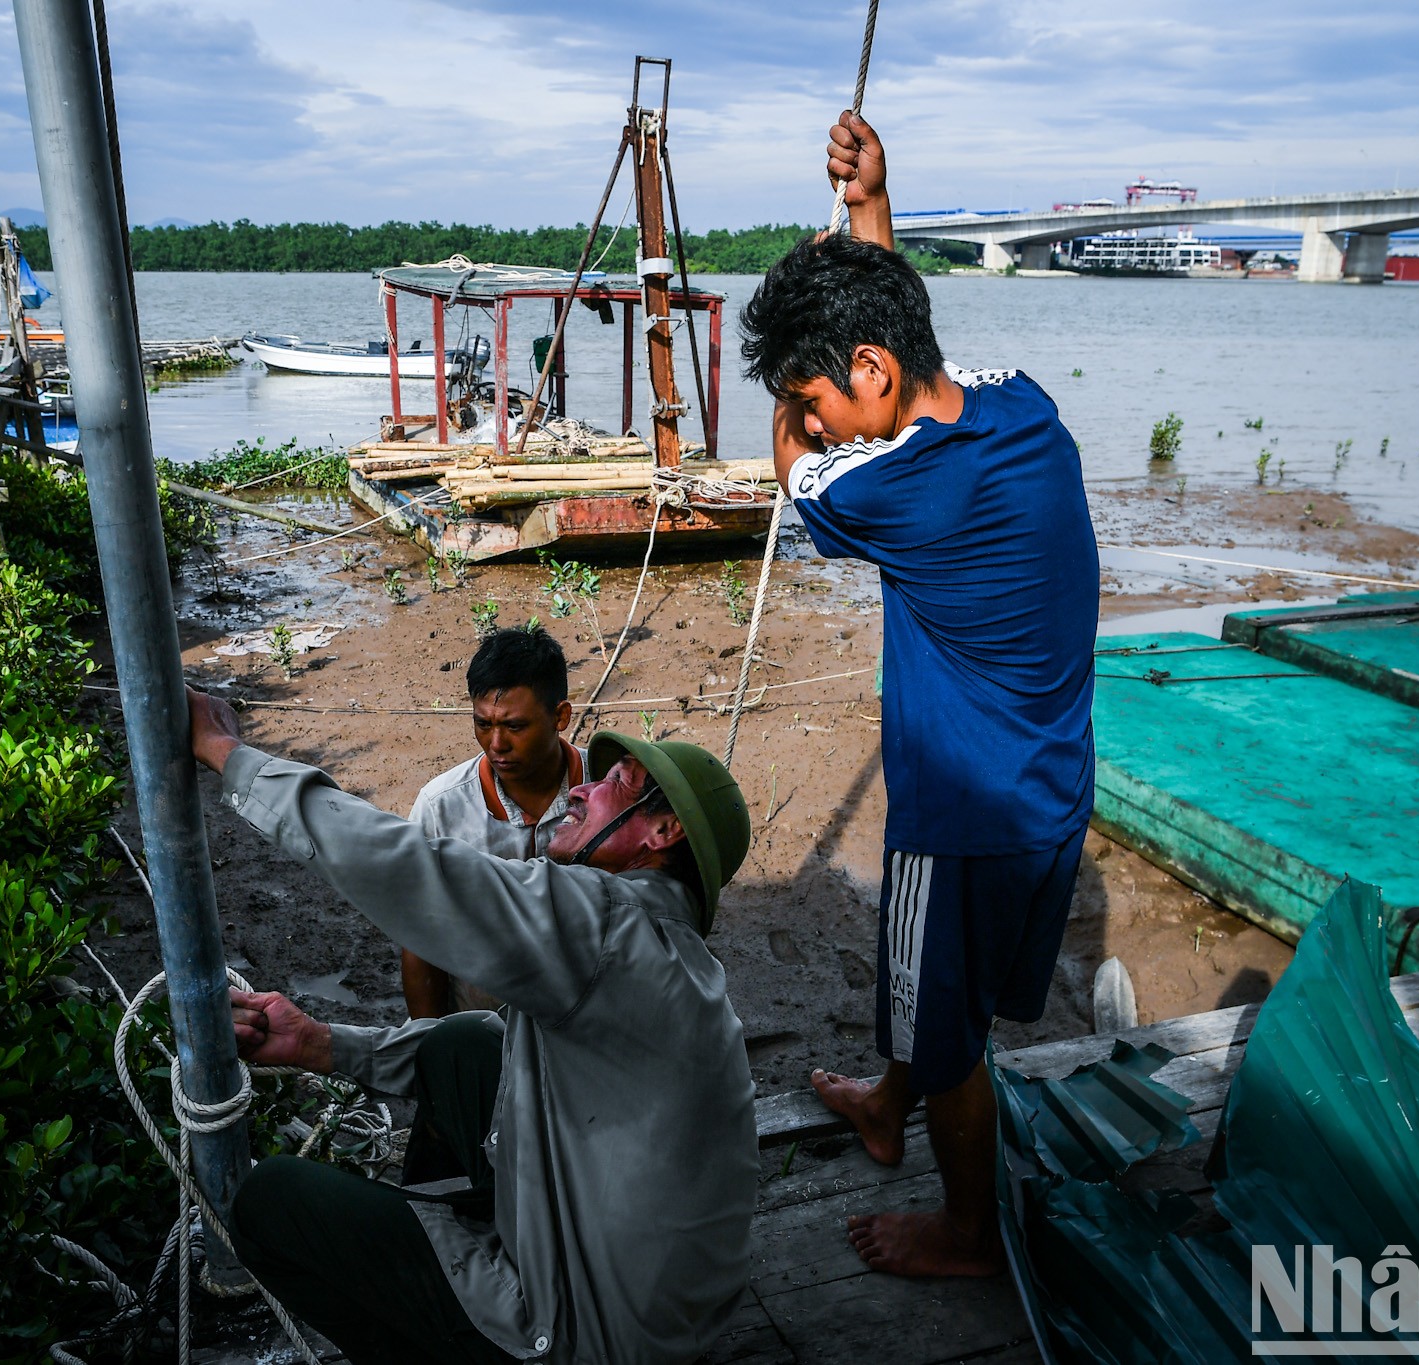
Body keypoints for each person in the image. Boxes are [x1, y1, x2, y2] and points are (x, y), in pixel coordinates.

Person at [738, 111, 1098, 1279]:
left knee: (950, 1043)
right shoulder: (1020, 406)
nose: (809, 419)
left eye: (814, 395)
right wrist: (863, 221)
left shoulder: (896, 493)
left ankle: (964, 1229)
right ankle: (886, 1096)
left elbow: (792, 473)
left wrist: (789, 415)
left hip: (958, 824)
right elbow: (907, 345)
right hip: (1048, 785)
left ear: (869, 378)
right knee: (932, 997)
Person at [186, 686, 758, 1365]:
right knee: (467, 1042)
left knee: (272, 1201)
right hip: (669, 1320)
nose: (582, 792)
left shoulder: (610, 925)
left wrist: (227, 752)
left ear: (662, 834)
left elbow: (417, 870)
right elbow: (522, 1051)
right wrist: (321, 1044)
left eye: (615, 785)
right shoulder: (671, 949)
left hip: (587, 1334)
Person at [403, 623, 585, 1018]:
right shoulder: (441, 808)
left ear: (561, 716)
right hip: (484, 1026)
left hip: (588, 1023)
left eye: (515, 726)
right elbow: (420, 940)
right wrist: (431, 1044)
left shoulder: (607, 789)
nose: (497, 745)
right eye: (483, 724)